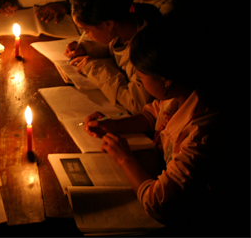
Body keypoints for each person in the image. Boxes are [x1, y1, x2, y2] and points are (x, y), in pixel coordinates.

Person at [81, 22, 217, 228]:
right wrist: (115, 125)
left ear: (165, 80)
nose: (140, 82)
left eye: (141, 77)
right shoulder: (178, 94)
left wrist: (125, 158)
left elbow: (158, 203)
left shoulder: (201, 133)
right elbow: (154, 113)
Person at [64, 0, 153, 114]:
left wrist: (95, 69)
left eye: (86, 30)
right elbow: (111, 45)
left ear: (108, 24)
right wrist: (86, 47)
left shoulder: (146, 50)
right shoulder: (124, 28)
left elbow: (137, 104)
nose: (85, 35)